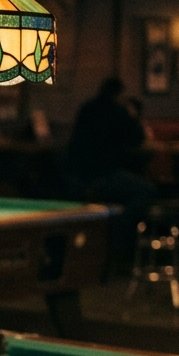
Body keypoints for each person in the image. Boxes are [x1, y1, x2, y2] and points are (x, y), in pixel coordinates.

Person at [66, 77, 155, 279]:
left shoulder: (87, 108)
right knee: (147, 190)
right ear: (119, 94)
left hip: (77, 176)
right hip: (102, 175)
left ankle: (113, 232)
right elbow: (137, 138)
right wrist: (132, 115)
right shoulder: (118, 111)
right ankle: (119, 232)